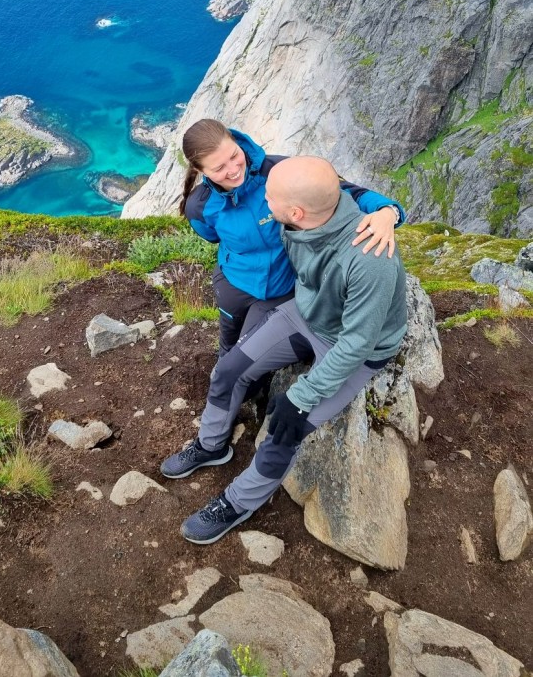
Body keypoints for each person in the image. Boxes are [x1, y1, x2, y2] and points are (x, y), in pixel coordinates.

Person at [161, 156, 408, 544]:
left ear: (294, 211)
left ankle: (238, 502)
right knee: (228, 370)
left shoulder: (369, 258)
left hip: (353, 345)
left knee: (285, 427)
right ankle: (212, 446)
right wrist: (389, 210)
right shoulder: (305, 213)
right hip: (306, 315)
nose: (264, 200)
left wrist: (301, 396)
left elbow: (357, 344)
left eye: (269, 197)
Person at [180, 120, 405, 356]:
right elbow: (212, 236)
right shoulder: (199, 207)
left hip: (286, 284)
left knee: (250, 352)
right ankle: (224, 382)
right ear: (201, 171)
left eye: (235, 155)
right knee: (227, 344)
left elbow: (342, 190)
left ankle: (250, 387)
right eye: (219, 168)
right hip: (234, 285)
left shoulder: (279, 171)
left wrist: (388, 212)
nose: (234, 169)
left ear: (237, 143)